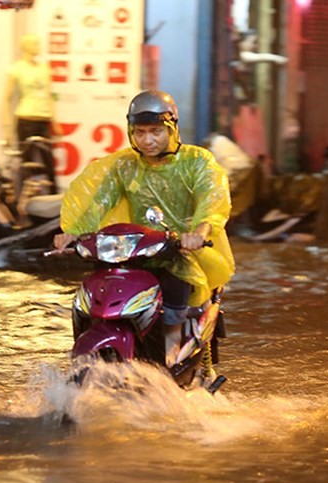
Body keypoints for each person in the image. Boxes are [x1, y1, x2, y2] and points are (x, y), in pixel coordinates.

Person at [53, 90, 235, 380]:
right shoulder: (124, 166)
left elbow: (211, 199)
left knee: (178, 283)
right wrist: (72, 232)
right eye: (139, 132)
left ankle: (173, 355)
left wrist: (199, 231)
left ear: (172, 128)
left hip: (181, 251)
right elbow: (98, 202)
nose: (147, 140)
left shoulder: (197, 161)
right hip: (135, 251)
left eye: (155, 132)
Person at [2, 33, 60, 194]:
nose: (38, 47)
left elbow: (49, 95)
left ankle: (54, 200)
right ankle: (24, 199)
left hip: (44, 119)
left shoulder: (44, 69)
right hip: (25, 119)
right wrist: (6, 127)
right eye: (35, 43)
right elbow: (6, 99)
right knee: (26, 164)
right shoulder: (16, 69)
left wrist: (55, 121)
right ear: (25, 46)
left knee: (48, 164)